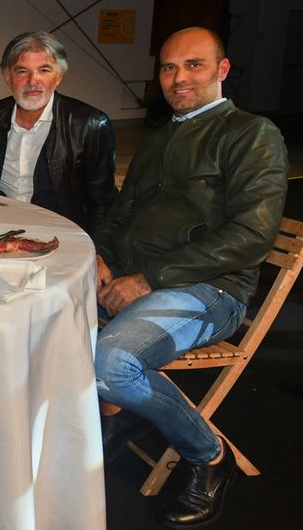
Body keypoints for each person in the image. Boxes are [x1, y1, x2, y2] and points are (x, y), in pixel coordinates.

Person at [94, 27, 288, 528]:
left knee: (112, 363)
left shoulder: (251, 134)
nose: (178, 78)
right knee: (34, 311)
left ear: (223, 70)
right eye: (168, 67)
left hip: (211, 290)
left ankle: (209, 455)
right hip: (135, 280)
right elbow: (119, 216)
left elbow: (251, 236)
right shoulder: (158, 140)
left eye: (193, 65)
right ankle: (107, 419)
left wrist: (148, 279)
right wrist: (99, 256)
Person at [0, 31, 117, 235]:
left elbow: (103, 202)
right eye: (22, 71)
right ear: (8, 77)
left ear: (59, 76)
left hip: (58, 233)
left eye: (44, 70)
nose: (33, 81)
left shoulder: (90, 125)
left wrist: (97, 248)